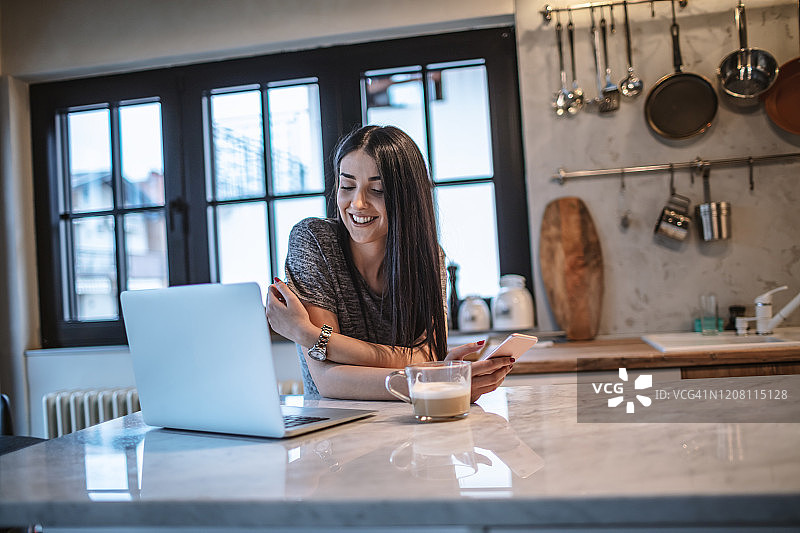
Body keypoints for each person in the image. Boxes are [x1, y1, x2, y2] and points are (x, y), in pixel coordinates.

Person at [266, 125, 513, 401]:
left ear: (406, 198)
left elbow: (429, 354)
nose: (357, 203)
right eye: (347, 186)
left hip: (414, 428)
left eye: (378, 190)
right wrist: (429, 381)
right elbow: (329, 381)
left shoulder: (429, 256)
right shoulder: (314, 241)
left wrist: (310, 335)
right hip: (333, 436)